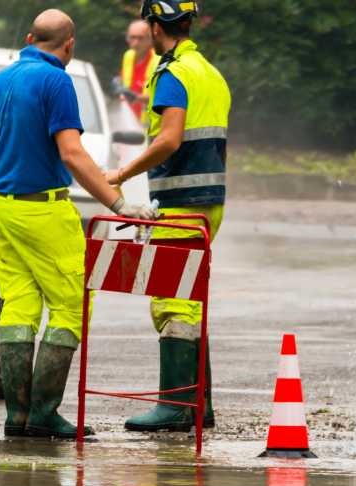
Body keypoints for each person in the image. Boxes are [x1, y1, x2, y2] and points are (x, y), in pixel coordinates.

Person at [0, 9, 158, 438]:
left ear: (28, 38)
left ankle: (16, 416)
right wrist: (120, 204)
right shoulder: (57, 80)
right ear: (69, 45)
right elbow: (73, 153)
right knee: (71, 303)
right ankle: (43, 413)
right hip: (44, 209)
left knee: (19, 307)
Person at [105, 0, 231, 432]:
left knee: (172, 299)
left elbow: (170, 138)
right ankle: (200, 404)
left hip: (181, 200)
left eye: (149, 24)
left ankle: (175, 405)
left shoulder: (172, 74)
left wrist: (121, 173)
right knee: (191, 298)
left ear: (158, 26)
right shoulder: (209, 73)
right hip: (208, 200)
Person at [120, 20, 160, 120]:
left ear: (150, 39)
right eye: (132, 37)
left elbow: (162, 98)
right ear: (127, 38)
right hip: (128, 119)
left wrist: (135, 97)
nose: (136, 42)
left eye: (140, 38)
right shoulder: (128, 55)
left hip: (149, 123)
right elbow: (125, 83)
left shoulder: (158, 60)